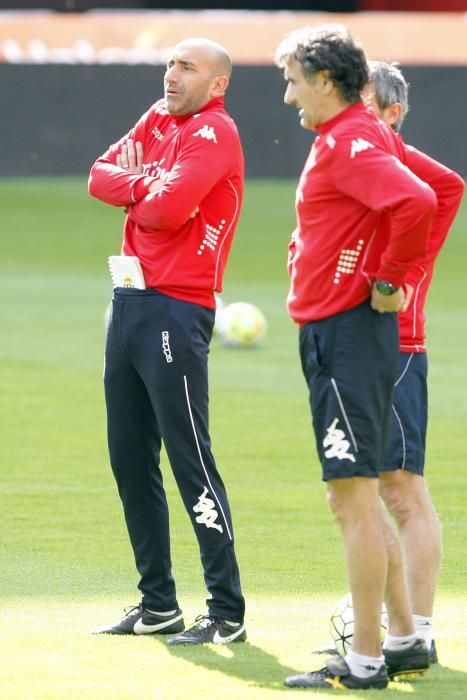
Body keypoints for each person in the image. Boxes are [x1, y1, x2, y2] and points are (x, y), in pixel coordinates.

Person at [274, 25, 438, 690]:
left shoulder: (344, 139)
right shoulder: (358, 134)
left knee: (351, 503)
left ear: (323, 79)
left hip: (342, 335)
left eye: (291, 80)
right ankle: (401, 642)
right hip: (343, 333)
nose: (287, 96)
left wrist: (391, 278)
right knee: (364, 497)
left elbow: (419, 199)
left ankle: (365, 660)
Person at [88, 38, 247, 646]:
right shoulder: (158, 119)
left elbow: (168, 210)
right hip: (127, 302)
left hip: (176, 309)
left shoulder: (214, 133)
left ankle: (225, 609)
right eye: (171, 64)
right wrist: (147, 180)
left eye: (188, 67)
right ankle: (158, 602)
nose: (172, 75)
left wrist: (143, 182)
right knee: (129, 457)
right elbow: (98, 176)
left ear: (217, 84)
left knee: (190, 458)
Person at [363, 61, 464, 663]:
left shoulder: (415, 182)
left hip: (397, 346)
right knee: (361, 490)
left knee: (402, 491)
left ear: (392, 114)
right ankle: (391, 618)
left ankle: (417, 627)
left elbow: (450, 185)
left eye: (366, 105)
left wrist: (387, 148)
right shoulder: (357, 170)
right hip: (355, 344)